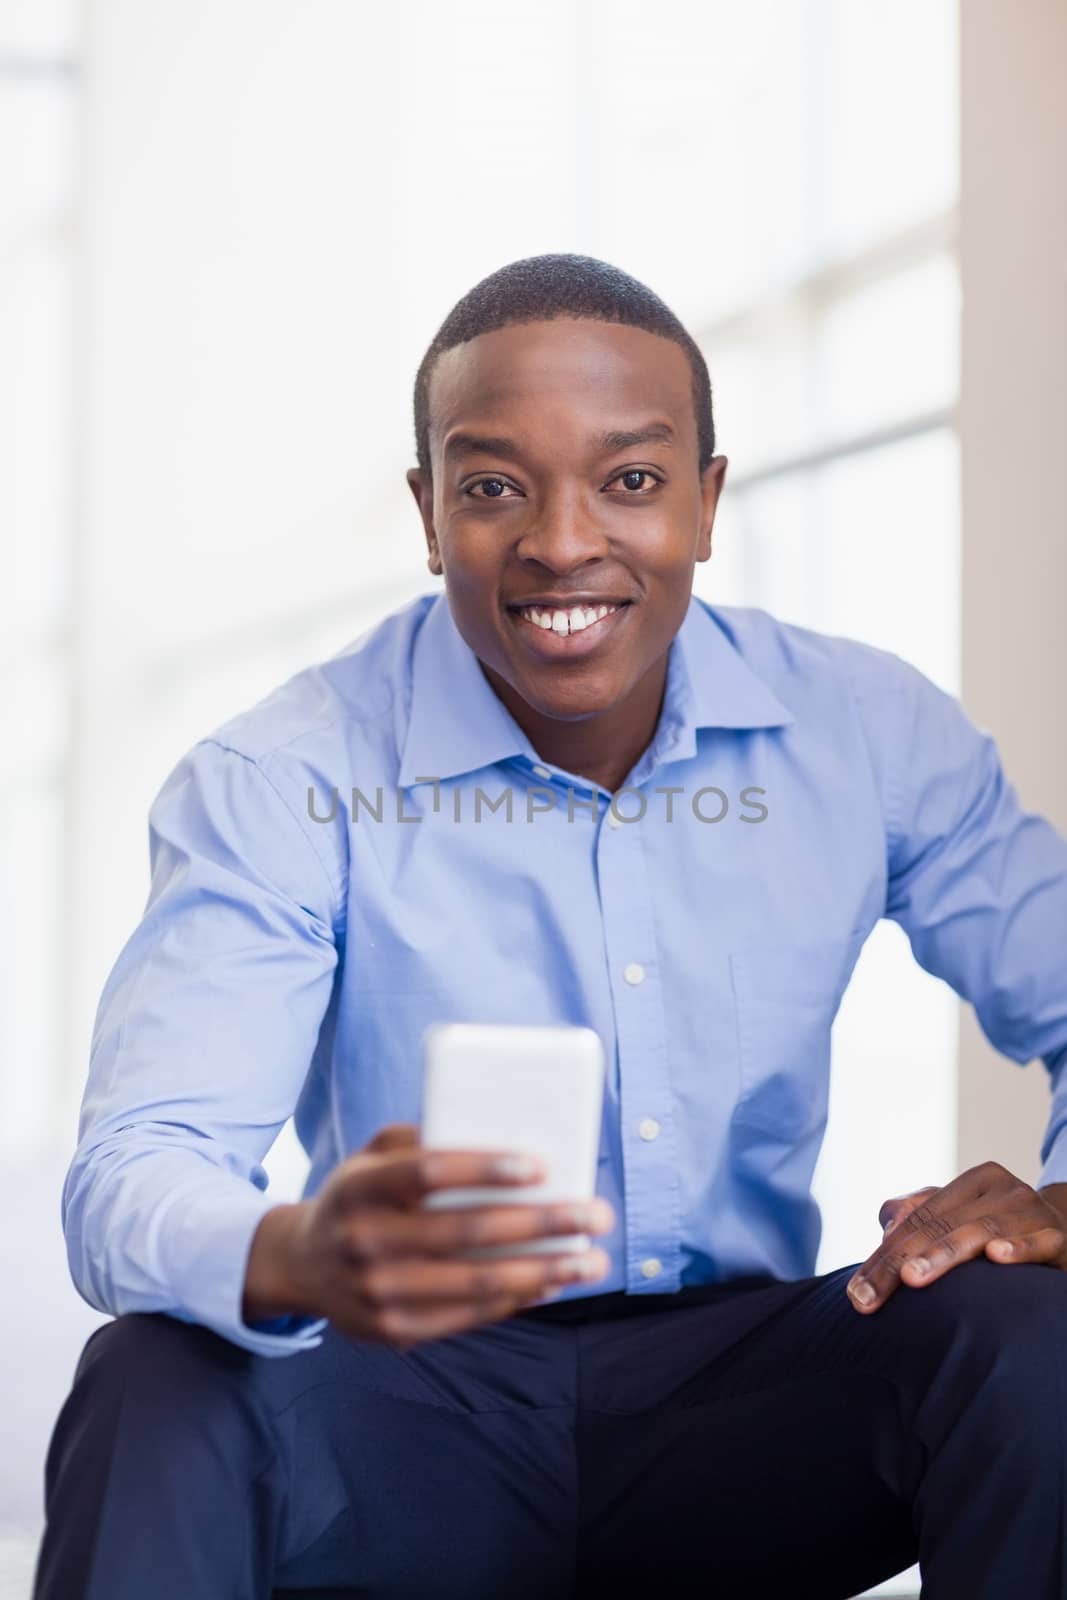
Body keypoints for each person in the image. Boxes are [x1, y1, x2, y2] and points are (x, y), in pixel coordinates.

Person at [34, 254, 1067, 1600]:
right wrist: (291, 1252)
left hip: (750, 1410)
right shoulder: (283, 773)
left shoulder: (867, 732)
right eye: (492, 487)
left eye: (630, 480)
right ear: (428, 513)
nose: (562, 541)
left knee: (1028, 1324)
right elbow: (137, 1163)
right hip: (410, 1404)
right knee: (157, 1372)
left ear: (705, 501)